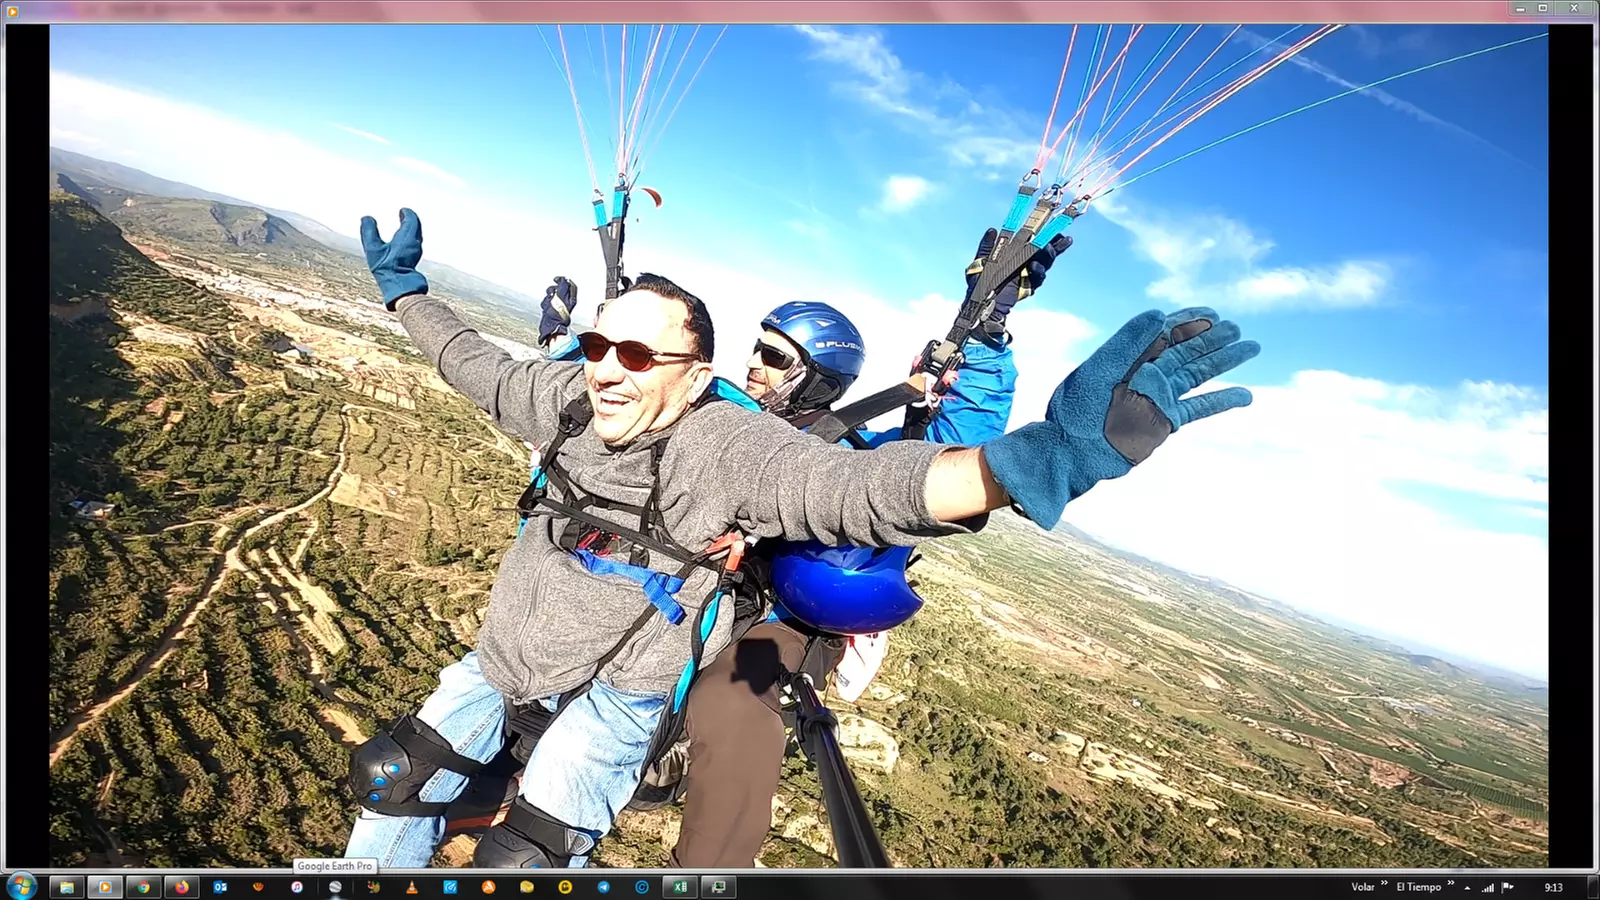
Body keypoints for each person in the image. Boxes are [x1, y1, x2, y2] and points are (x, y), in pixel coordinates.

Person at [344, 207, 1260, 870]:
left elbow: (880, 483)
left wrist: (1039, 452)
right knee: (398, 776)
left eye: (775, 360)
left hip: (702, 632)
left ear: (687, 372)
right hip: (528, 646)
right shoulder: (598, 398)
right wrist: (408, 297)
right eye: (595, 349)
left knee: (729, 712)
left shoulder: (752, 443)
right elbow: (480, 368)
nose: (757, 369)